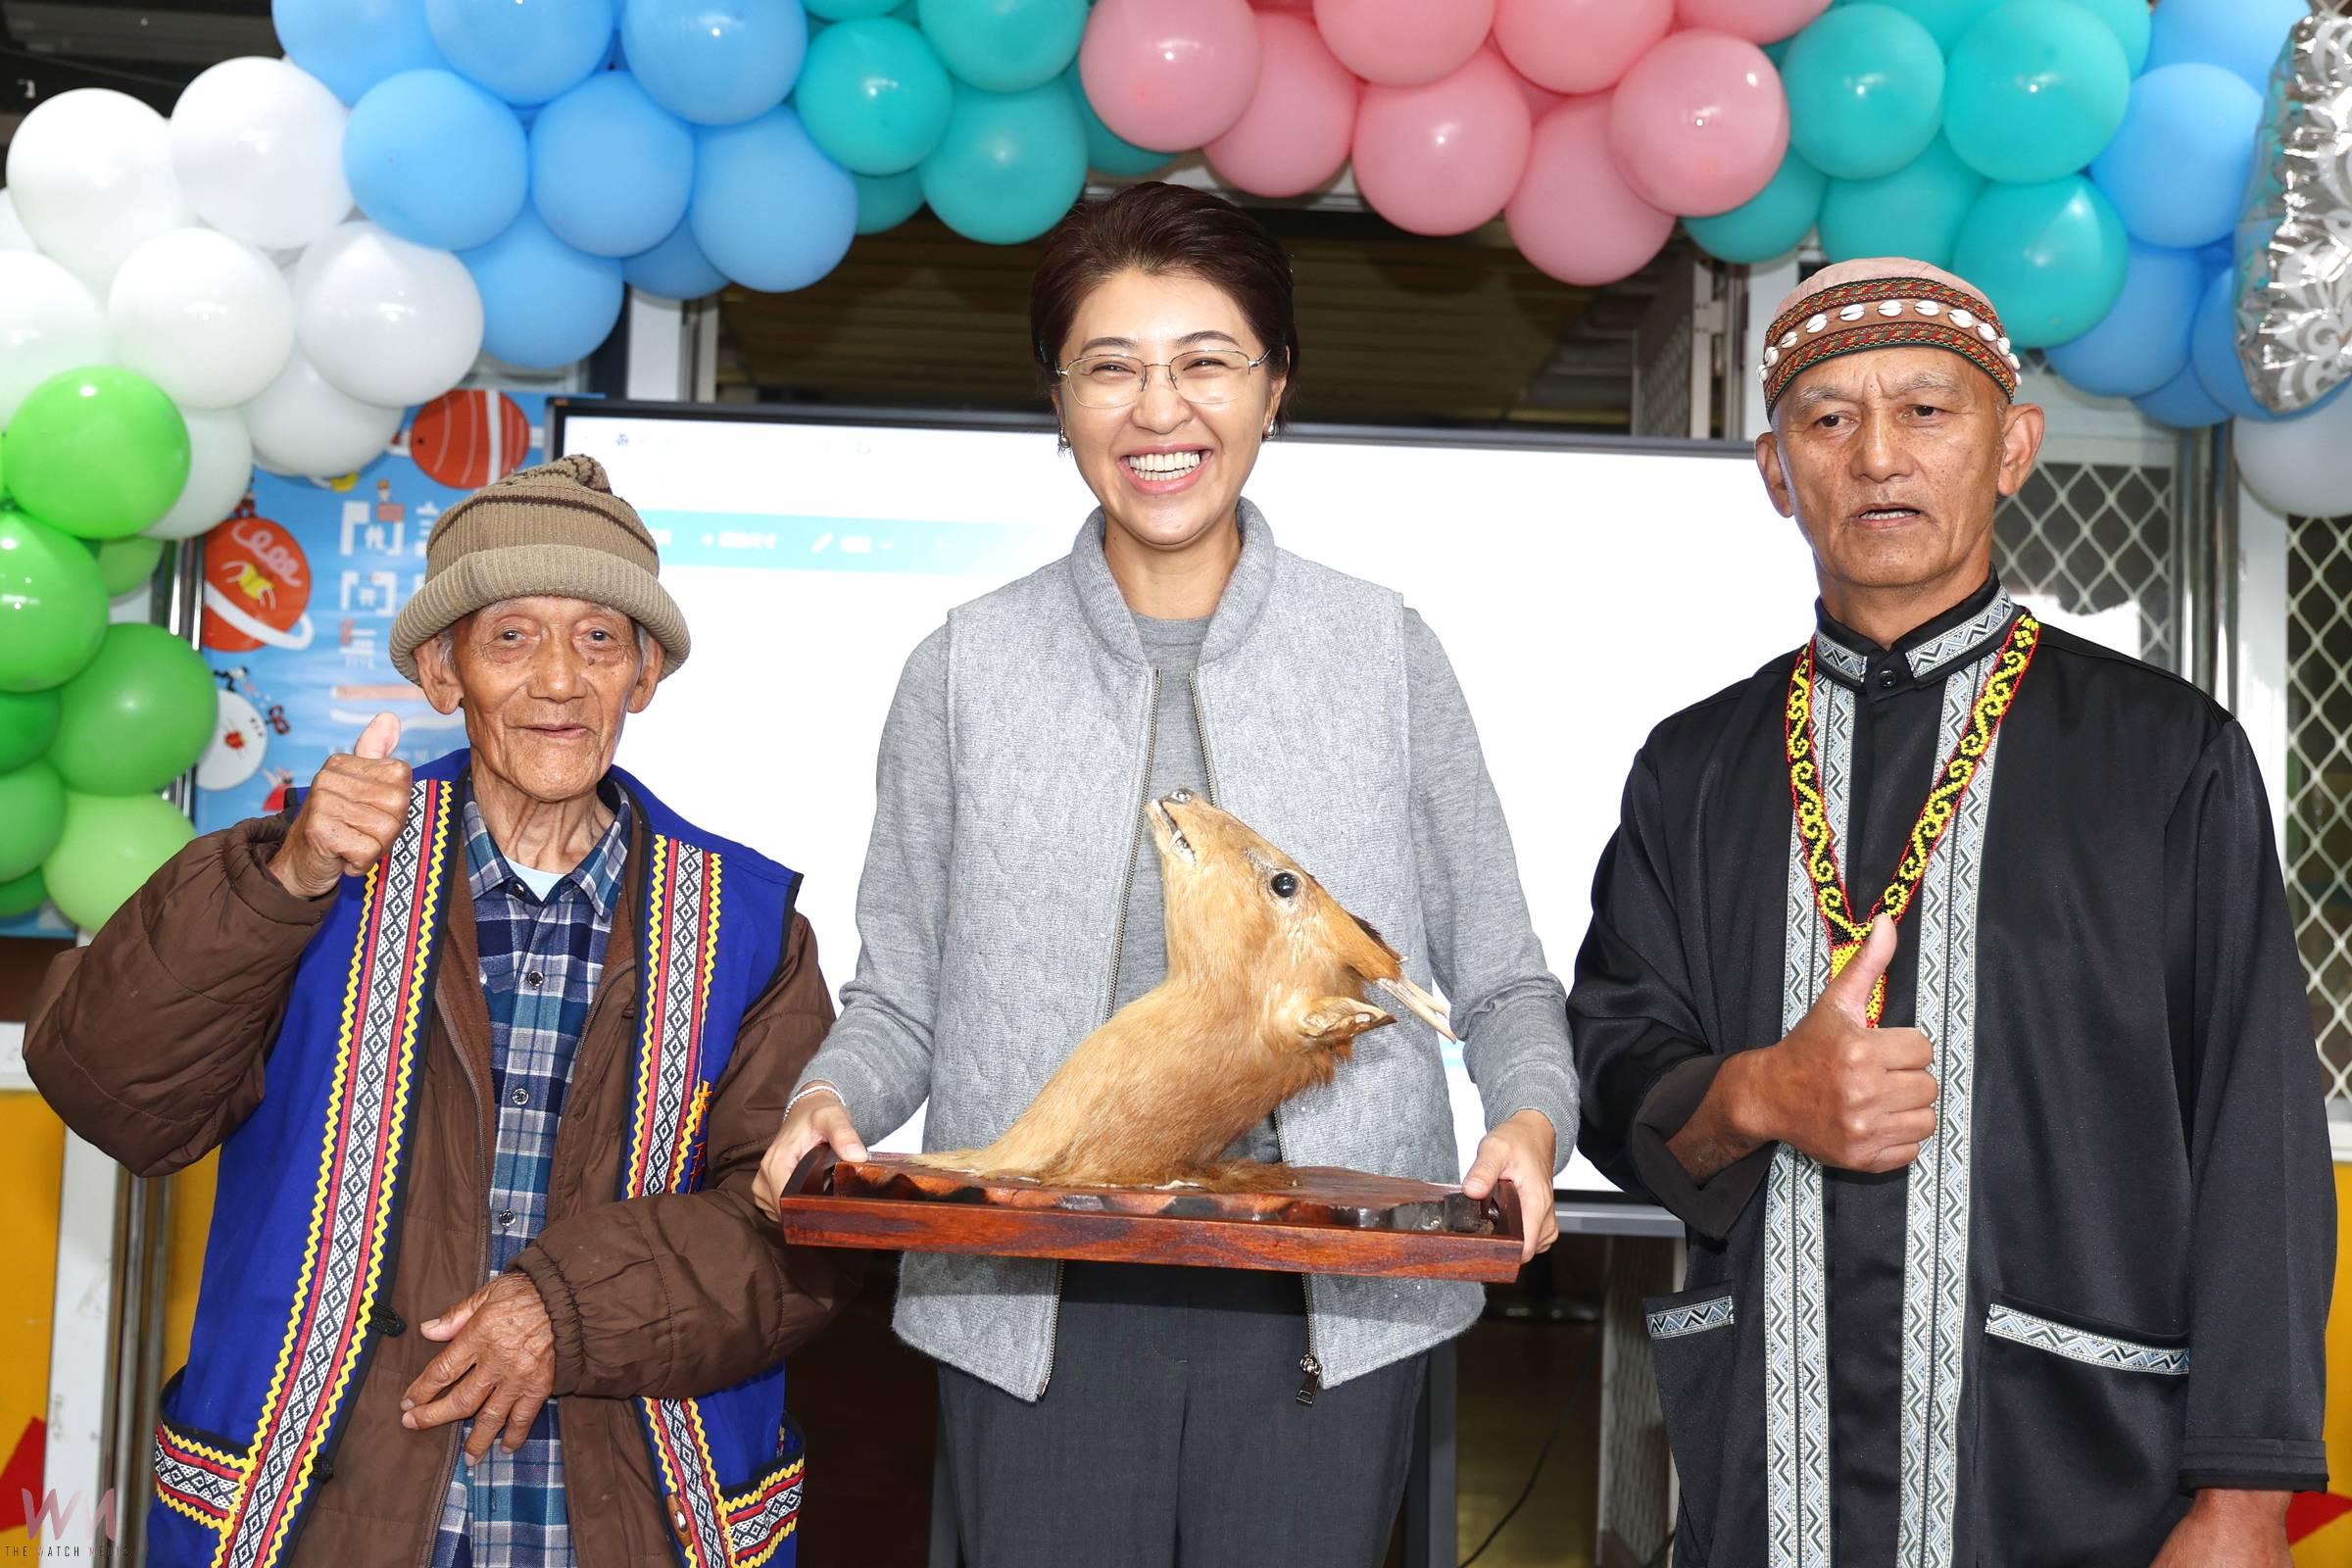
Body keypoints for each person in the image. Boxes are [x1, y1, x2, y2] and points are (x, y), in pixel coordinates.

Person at [752, 182, 1577, 1566]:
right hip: (1039, 1318)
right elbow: (901, 1001)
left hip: (1335, 1304)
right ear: (1059, 400)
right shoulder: (963, 669)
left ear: (1275, 389)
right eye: (1112, 368)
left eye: (1206, 363)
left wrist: (1529, 1126)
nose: (1160, 411)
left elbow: (1498, 978)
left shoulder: (1385, 655)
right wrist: (826, 1100)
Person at [1568, 258, 2333, 1567]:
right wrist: (1762, 1093)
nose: (1878, 457)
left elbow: (2255, 1126)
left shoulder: (2168, 758)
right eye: (1829, 418)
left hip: (2072, 1473)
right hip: (1772, 1479)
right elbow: (1611, 1076)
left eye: (1927, 410)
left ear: (2013, 446)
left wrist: (2247, 1492)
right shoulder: (1694, 769)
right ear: (1773, 471)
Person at [27, 457, 849, 1568]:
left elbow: (795, 1233)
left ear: (646, 673)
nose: (559, 680)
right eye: (510, 636)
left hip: (622, 1524)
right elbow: (115, 1093)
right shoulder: (305, 873)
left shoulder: (748, 925)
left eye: (600, 639)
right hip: (326, 1519)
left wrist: (566, 1308)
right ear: (439, 668)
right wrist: (288, 880)